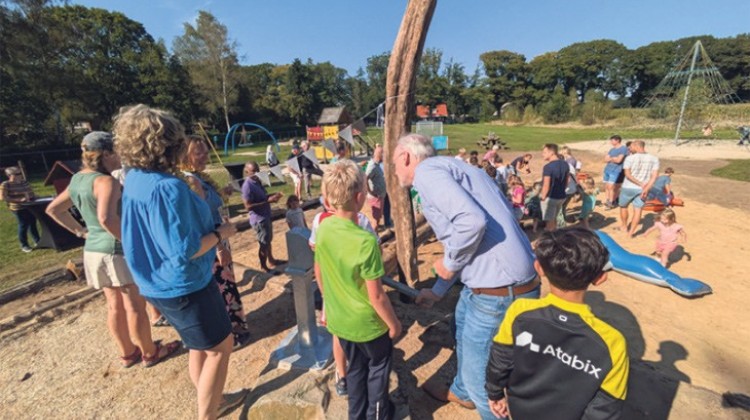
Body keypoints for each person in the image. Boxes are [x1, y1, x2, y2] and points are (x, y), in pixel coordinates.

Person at [393, 134, 539, 419]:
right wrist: (437, 290)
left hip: (500, 289)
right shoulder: (460, 169)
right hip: (501, 283)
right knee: (460, 326)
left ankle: (474, 393)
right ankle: (461, 391)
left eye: (394, 163)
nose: (394, 171)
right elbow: (463, 236)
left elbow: (471, 223)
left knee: (482, 384)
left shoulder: (427, 172)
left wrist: (448, 264)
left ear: (406, 157)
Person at [115, 105, 244, 419]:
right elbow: (185, 249)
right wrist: (219, 232)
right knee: (220, 347)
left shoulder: (135, 178)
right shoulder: (167, 187)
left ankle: (212, 399)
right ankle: (207, 414)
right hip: (185, 284)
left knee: (199, 344)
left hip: (154, 282)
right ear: (170, 143)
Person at [46, 131, 180, 368]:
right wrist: (131, 243)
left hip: (93, 250)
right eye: (117, 152)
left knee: (114, 306)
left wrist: (82, 232)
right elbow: (107, 217)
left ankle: (128, 352)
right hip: (117, 251)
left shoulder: (78, 179)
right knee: (135, 306)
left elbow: (54, 209)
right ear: (107, 154)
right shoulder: (106, 181)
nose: (121, 157)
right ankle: (150, 352)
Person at [486, 228, 629, 420]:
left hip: (519, 411)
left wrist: (494, 393)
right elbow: (605, 406)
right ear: (600, 278)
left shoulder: (520, 311)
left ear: (539, 268)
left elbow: (500, 359)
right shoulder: (613, 343)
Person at [314, 159, 402, 419]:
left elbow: (319, 270)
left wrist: (329, 304)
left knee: (355, 370)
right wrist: (394, 324)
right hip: (368, 325)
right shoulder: (366, 242)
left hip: (341, 321)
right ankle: (378, 414)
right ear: (360, 197)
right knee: (378, 370)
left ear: (328, 198)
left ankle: (356, 414)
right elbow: (376, 295)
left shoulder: (324, 227)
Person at [180, 135, 251, 350]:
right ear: (185, 155)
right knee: (222, 289)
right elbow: (200, 220)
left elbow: (210, 206)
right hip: (212, 244)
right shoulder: (189, 181)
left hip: (219, 239)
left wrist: (222, 194)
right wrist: (219, 247)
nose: (204, 156)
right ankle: (230, 334)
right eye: (198, 152)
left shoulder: (199, 177)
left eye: (205, 151)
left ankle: (234, 328)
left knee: (227, 286)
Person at [309, 193, 378, 398]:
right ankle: (351, 372)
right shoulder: (361, 221)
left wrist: (324, 293)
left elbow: (316, 255)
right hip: (357, 290)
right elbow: (374, 252)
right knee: (360, 334)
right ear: (357, 198)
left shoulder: (320, 221)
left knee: (339, 334)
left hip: (333, 288)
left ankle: (342, 373)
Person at [241, 161, 283, 273]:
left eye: (258, 170)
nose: (257, 173)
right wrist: (267, 201)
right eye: (253, 171)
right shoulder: (247, 186)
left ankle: (272, 260)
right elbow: (248, 206)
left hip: (265, 216)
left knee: (268, 241)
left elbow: (263, 197)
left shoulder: (257, 181)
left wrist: (273, 195)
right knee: (263, 244)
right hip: (259, 219)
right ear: (247, 172)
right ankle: (264, 267)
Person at [619, 140, 659, 237]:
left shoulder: (630, 158)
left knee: (623, 206)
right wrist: (646, 187)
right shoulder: (654, 159)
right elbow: (655, 176)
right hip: (643, 188)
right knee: (638, 209)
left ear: (637, 146)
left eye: (631, 147)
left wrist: (639, 183)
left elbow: (627, 175)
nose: (629, 148)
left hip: (628, 187)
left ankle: (624, 226)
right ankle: (631, 233)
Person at [1, 166, 40, 252]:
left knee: (32, 223)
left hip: (30, 206)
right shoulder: (6, 184)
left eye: (20, 173)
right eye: (17, 174)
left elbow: (31, 192)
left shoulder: (24, 182)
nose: (20, 175)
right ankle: (24, 245)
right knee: (23, 224)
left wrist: (34, 197)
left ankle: (37, 241)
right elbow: (3, 197)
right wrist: (18, 200)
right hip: (18, 208)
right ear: (9, 175)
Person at [539, 144, 570, 231]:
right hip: (561, 196)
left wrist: (543, 197)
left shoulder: (548, 167)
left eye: (544, 152)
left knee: (549, 221)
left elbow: (546, 185)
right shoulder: (565, 164)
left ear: (552, 153)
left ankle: (550, 239)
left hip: (551, 197)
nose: (542, 154)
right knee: (555, 218)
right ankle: (555, 235)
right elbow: (567, 181)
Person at [365, 145, 387, 230]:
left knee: (377, 219)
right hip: (375, 197)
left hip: (379, 196)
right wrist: (370, 192)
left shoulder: (376, 165)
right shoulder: (372, 166)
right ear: (380, 154)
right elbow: (365, 178)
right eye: (384, 154)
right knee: (375, 221)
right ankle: (375, 238)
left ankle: (376, 234)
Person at [603, 135, 628, 210]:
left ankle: (611, 202)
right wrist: (613, 158)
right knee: (607, 186)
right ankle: (607, 200)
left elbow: (619, 160)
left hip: (615, 170)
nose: (611, 142)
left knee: (611, 187)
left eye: (612, 140)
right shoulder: (612, 149)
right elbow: (605, 159)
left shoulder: (623, 149)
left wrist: (611, 159)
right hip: (607, 169)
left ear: (617, 140)